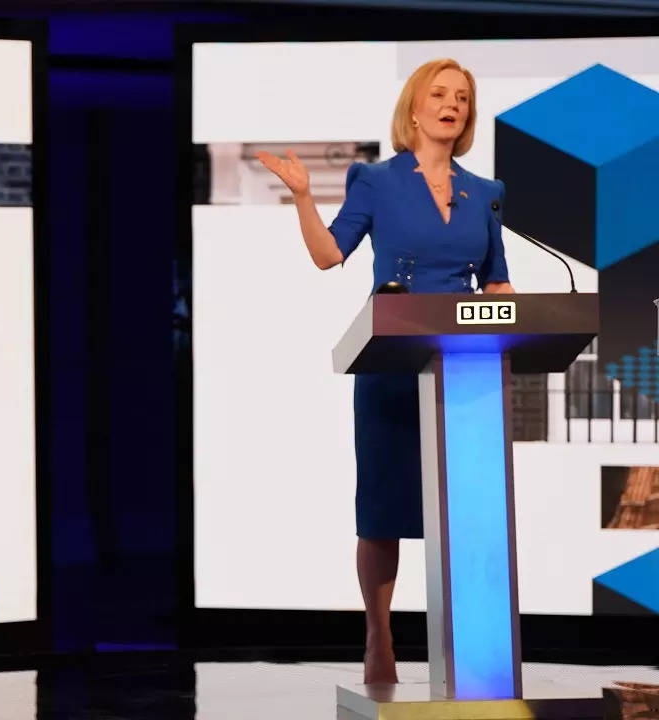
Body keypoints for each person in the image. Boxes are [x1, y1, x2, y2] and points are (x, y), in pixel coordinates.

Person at [257, 58, 515, 685]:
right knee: (383, 507)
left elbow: (499, 282)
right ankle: (379, 634)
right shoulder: (373, 180)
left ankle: (467, 645)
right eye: (439, 94)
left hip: (463, 373)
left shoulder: (486, 193)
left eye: (462, 97)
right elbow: (328, 256)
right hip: (391, 367)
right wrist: (300, 196)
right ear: (415, 107)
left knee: (465, 510)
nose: (451, 104)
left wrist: (509, 311)